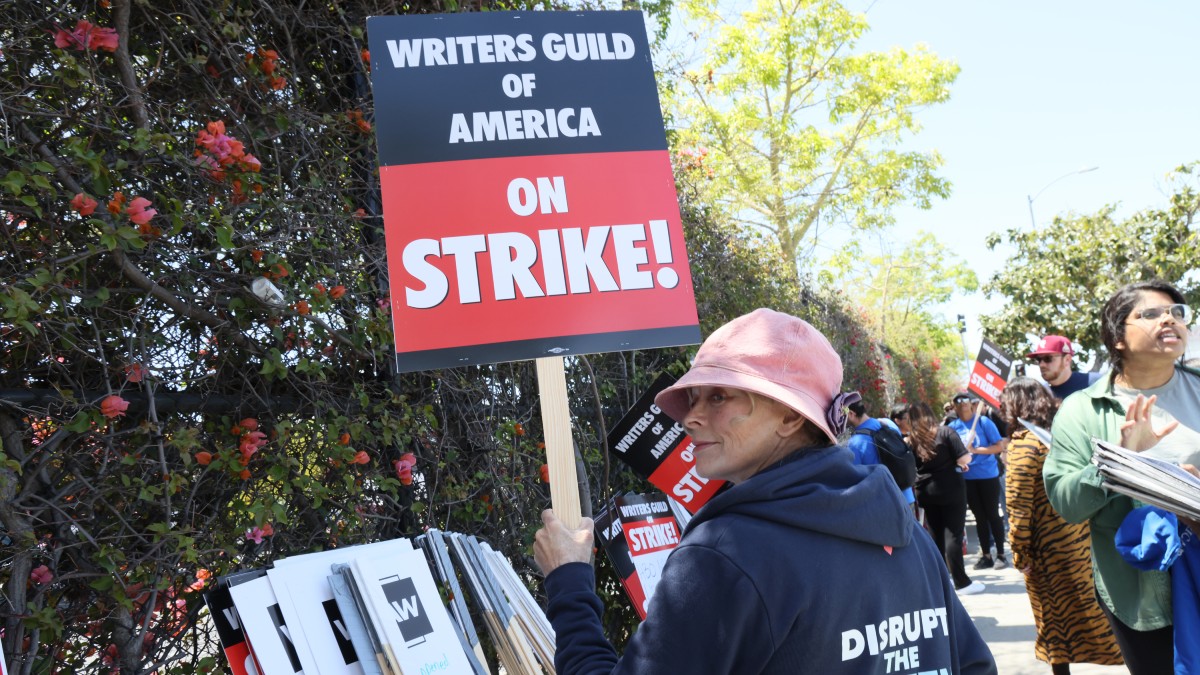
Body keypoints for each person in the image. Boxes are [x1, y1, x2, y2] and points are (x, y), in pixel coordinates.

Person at [535, 308, 997, 674]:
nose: (690, 418)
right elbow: (973, 664)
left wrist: (569, 581)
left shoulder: (726, 555)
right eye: (693, 399)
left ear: (791, 416)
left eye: (719, 397)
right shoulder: (909, 536)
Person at [1045, 280, 1200, 675]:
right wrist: (1119, 462)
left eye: (1177, 312)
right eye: (1150, 313)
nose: (1170, 318)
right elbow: (1066, 503)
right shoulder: (1081, 411)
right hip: (1144, 594)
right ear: (1117, 338)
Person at [999, 378, 1123, 674]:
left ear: (1016, 404)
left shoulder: (1024, 443)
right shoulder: (1059, 436)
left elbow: (1018, 505)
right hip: (1081, 538)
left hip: (1049, 550)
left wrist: (1020, 553)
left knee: (1056, 624)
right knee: (1099, 613)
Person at [892, 401, 983, 595]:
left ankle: (941, 582)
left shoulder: (910, 440)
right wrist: (962, 459)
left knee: (935, 536)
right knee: (954, 534)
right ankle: (961, 581)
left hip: (925, 491)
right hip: (951, 488)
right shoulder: (946, 432)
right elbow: (964, 458)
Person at [948, 393, 1009, 570]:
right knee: (979, 517)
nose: (962, 404)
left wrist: (975, 449)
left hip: (987, 474)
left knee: (992, 514)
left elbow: (999, 446)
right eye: (957, 401)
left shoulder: (983, 422)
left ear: (972, 404)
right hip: (967, 477)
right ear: (954, 406)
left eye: (965, 401)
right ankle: (986, 555)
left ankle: (1001, 554)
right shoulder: (953, 427)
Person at [846, 400, 916, 507]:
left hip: (888, 506)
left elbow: (855, 482)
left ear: (851, 414)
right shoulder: (888, 423)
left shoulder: (855, 443)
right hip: (907, 496)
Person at [1027, 334, 1101, 401]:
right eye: (1039, 359)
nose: (1041, 365)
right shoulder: (1038, 395)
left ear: (1067, 360)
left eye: (1048, 358)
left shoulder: (1095, 383)